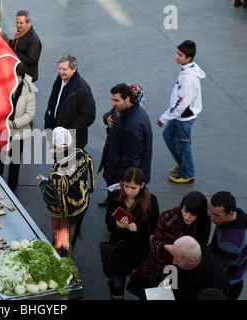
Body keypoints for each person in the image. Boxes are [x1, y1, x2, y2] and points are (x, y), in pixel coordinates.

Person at [128, 191, 211, 299]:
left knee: (171, 294)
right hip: (160, 264)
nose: (187, 216)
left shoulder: (204, 222)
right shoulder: (167, 217)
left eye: (193, 214)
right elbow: (156, 241)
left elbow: (203, 243)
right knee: (152, 295)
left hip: (181, 268)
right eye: (185, 211)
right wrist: (168, 248)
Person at [38, 127, 95, 258]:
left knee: (60, 242)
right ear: (71, 142)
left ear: (53, 144)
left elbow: (51, 198)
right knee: (73, 230)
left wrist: (42, 185)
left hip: (65, 213)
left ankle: (64, 261)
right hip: (82, 203)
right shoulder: (82, 153)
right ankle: (70, 253)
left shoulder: (58, 171)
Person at [104, 167, 159, 300]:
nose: (128, 191)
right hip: (119, 249)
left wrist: (138, 228)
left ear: (142, 185)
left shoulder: (151, 200)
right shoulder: (115, 196)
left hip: (140, 251)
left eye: (133, 188)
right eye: (126, 186)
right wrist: (116, 225)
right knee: (117, 286)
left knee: (143, 288)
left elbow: (154, 227)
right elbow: (108, 221)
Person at [157, 40, 206, 184]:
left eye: (180, 55)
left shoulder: (189, 79)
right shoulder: (186, 68)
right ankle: (183, 165)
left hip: (183, 118)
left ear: (188, 58)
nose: (176, 57)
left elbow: (181, 102)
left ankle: (187, 173)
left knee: (184, 146)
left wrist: (164, 117)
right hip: (178, 116)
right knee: (168, 135)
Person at [0, 62, 37, 194]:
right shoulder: (1, 85)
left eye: (18, 78)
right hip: (1, 129)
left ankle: (12, 188)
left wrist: (13, 124)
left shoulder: (28, 90)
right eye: (13, 77)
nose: (15, 81)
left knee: (14, 160)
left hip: (18, 131)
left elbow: (30, 114)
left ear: (22, 77)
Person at [97, 84, 144, 206]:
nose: (114, 103)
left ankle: (115, 203)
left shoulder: (133, 120)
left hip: (118, 157)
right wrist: (107, 118)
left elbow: (132, 155)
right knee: (108, 177)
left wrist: (124, 176)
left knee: (117, 185)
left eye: (116, 100)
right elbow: (108, 114)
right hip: (111, 151)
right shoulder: (119, 109)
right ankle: (110, 198)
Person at [105, 83, 153, 188]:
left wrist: (123, 179)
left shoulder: (132, 124)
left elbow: (131, 158)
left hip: (127, 178)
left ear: (127, 99)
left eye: (117, 100)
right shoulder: (132, 112)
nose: (113, 104)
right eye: (113, 100)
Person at [44, 54, 96, 150]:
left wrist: (68, 133)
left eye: (64, 69)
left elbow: (89, 116)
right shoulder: (59, 80)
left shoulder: (83, 89)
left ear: (74, 69)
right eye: (59, 68)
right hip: (57, 136)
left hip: (72, 141)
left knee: (68, 164)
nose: (61, 72)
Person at [208, 191, 247, 300]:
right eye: (210, 212)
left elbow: (217, 270)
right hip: (235, 276)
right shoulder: (237, 214)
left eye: (216, 215)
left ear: (230, 213)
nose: (211, 218)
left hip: (226, 284)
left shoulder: (231, 242)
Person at [171, 236, 230, 300]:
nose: (174, 262)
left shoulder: (217, 281)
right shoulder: (183, 262)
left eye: (178, 260)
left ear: (192, 261)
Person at [9, 9, 42, 82]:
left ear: (28, 22)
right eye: (17, 22)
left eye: (21, 23)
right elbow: (18, 45)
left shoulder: (34, 40)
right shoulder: (22, 31)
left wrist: (13, 53)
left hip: (26, 76)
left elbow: (31, 60)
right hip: (20, 72)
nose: (18, 25)